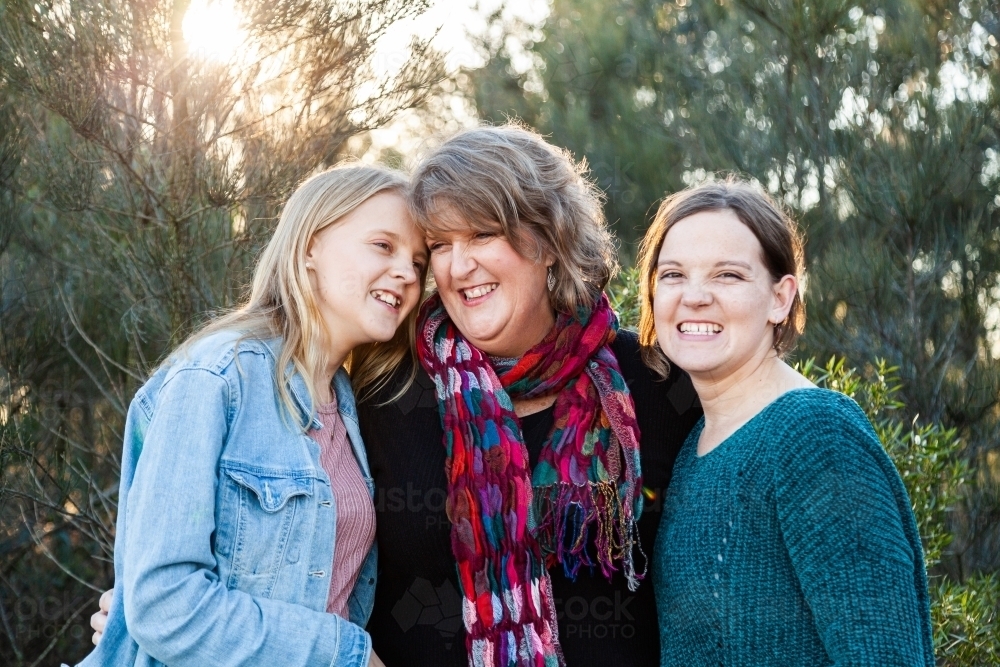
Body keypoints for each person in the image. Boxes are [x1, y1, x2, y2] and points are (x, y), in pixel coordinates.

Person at [359, 125, 701, 667]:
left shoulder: (655, 384)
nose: (457, 265)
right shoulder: (389, 388)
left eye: (481, 235)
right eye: (441, 245)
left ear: (547, 240)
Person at [76, 164, 428, 667]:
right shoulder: (216, 379)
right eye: (383, 246)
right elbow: (165, 604)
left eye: (418, 262)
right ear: (310, 247)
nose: (406, 273)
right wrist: (345, 653)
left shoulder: (356, 406)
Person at [636, 178, 935, 666]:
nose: (694, 297)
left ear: (780, 298)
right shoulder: (693, 448)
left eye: (727, 275)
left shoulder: (814, 435)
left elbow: (885, 654)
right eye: (673, 275)